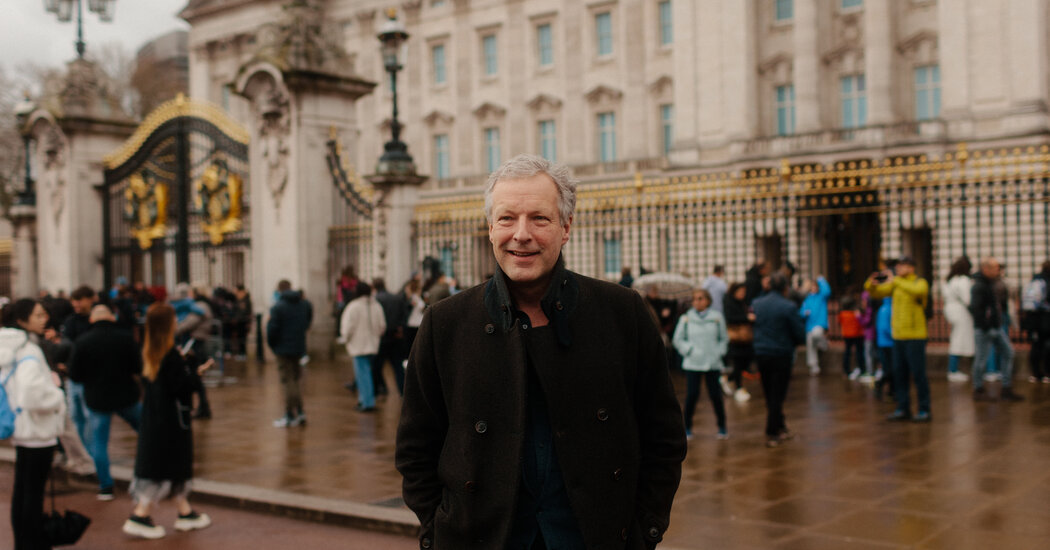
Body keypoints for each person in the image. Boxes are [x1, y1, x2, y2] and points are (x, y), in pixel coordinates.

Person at [395, 154, 686, 550]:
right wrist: (438, 527)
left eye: (539, 218)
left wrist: (646, 528)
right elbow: (415, 448)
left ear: (566, 227)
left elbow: (663, 436)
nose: (521, 234)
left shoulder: (623, 313)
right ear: (490, 227)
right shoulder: (444, 322)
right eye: (507, 218)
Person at [122, 303, 213, 539]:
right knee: (161, 468)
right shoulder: (170, 355)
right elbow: (180, 387)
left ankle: (185, 512)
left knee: (173, 467)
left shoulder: (151, 350)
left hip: (156, 417)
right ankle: (140, 515)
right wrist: (196, 373)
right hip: (171, 421)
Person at [1, 299, 68, 550]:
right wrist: (57, 395)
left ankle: (24, 541)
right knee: (33, 492)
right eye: (38, 315)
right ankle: (32, 542)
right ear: (21, 320)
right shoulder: (28, 350)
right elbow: (31, 392)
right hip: (37, 429)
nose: (44, 320)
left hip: (22, 427)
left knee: (23, 490)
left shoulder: (11, 347)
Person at [68, 304, 143, 501]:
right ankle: (148, 474)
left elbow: (74, 374)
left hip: (97, 398)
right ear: (112, 318)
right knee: (147, 430)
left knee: (99, 443)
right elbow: (138, 367)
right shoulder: (125, 338)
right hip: (126, 396)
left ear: (92, 320)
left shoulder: (82, 342)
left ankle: (105, 486)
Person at [865, 256, 933, 422]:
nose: (899, 269)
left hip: (916, 336)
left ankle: (924, 409)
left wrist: (894, 280)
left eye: (902, 266)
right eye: (898, 266)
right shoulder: (895, 284)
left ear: (911, 267)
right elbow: (875, 293)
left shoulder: (919, 282)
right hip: (898, 336)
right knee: (899, 373)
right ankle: (903, 408)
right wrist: (870, 282)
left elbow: (919, 292)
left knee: (918, 374)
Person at [751, 274, 806, 448]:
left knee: (769, 392)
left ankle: (780, 425)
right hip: (781, 353)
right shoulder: (788, 306)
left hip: (761, 352)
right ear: (785, 288)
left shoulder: (757, 304)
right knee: (778, 394)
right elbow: (799, 332)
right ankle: (772, 430)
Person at [672, 288, 729, 440]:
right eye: (695, 299)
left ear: (708, 300)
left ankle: (722, 426)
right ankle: (687, 427)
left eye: (700, 298)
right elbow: (678, 339)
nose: (697, 302)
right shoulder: (686, 318)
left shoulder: (717, 318)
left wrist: (718, 352)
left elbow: (723, 338)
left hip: (712, 362)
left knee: (715, 395)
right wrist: (689, 350)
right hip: (693, 363)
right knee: (692, 395)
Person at [970, 257, 1024, 402]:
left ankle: (1006, 387)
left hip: (995, 325)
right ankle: (978, 389)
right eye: (994, 268)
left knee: (1008, 352)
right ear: (986, 269)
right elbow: (976, 308)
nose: (997, 270)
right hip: (985, 328)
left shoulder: (993, 283)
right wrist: (986, 324)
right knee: (981, 359)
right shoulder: (979, 286)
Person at [266, 279, 313, 427]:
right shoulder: (303, 304)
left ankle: (289, 414)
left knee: (288, 381)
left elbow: (271, 330)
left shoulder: (278, 307)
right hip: (298, 347)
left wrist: (273, 346)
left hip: (283, 349)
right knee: (295, 379)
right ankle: (299, 411)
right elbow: (308, 320)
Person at [339, 282, 386, 412]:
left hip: (358, 345)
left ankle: (367, 402)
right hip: (372, 344)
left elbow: (347, 327)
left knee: (362, 374)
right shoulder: (376, 306)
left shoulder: (353, 307)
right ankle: (365, 400)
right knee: (367, 373)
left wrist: (346, 338)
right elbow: (382, 326)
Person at [172, 284, 214, 419]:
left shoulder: (200, 306)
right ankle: (200, 407)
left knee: (196, 376)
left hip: (196, 343)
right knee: (195, 375)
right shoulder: (196, 305)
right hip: (195, 341)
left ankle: (202, 408)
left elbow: (189, 323)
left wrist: (174, 329)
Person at [371, 278, 408, 396]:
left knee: (376, 366)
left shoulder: (376, 300)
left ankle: (379, 389)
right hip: (396, 336)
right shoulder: (396, 298)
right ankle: (403, 392)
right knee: (398, 367)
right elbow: (404, 314)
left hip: (382, 338)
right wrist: (400, 327)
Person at [942, 257, 974, 382]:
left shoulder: (950, 280)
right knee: (959, 340)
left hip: (950, 309)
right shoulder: (963, 280)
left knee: (958, 338)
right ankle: (953, 369)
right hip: (961, 311)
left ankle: (954, 369)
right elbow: (968, 299)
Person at [723, 282, 754, 402]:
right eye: (740, 291)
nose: (742, 294)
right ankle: (739, 388)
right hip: (736, 338)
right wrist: (747, 318)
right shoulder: (729, 302)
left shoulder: (743, 302)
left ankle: (729, 379)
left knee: (745, 361)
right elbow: (730, 318)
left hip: (745, 337)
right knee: (737, 362)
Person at [1022, 260, 1050, 383]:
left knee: (1036, 344)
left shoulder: (1035, 280)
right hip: (1045, 317)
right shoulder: (1046, 281)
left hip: (1033, 318)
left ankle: (1035, 373)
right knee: (1047, 345)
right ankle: (1047, 373)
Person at [800, 276, 831, 376]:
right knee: (810, 344)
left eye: (815, 286)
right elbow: (801, 312)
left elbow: (827, 291)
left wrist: (821, 280)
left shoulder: (821, 297)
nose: (813, 288)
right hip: (810, 325)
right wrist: (805, 313)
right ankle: (813, 365)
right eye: (812, 287)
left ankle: (823, 344)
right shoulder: (807, 299)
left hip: (820, 323)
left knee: (816, 335)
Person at [837, 295, 866, 379]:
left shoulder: (842, 314)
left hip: (847, 335)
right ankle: (861, 368)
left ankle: (846, 370)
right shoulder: (856, 313)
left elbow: (840, 322)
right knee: (859, 352)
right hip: (857, 335)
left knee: (847, 352)